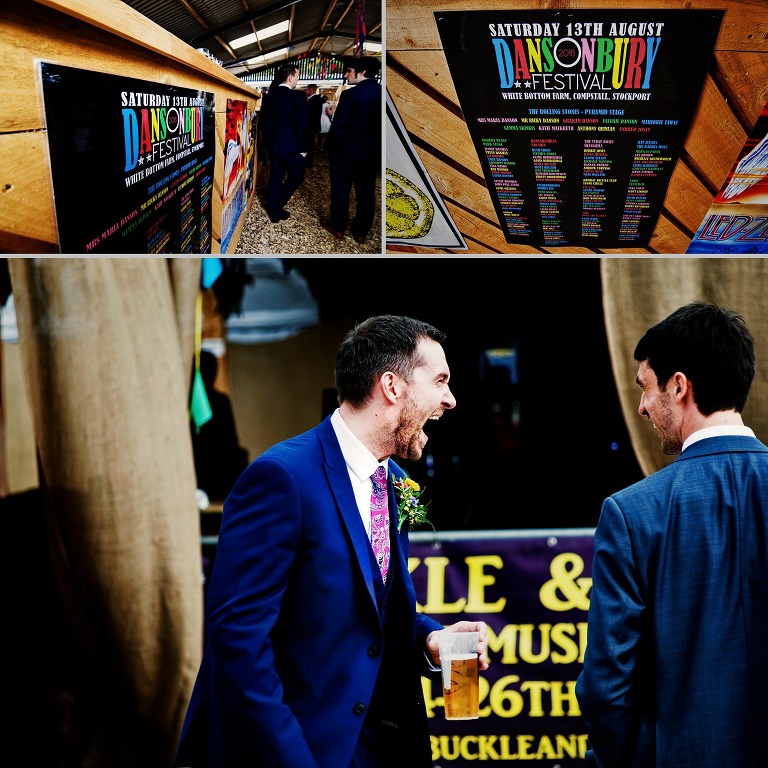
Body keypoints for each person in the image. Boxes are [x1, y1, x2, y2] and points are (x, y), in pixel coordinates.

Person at [174, 314, 490, 768]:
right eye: (440, 380)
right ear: (392, 386)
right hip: (302, 746)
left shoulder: (392, 480)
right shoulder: (282, 478)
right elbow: (239, 644)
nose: (450, 399)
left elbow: (369, 614)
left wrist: (428, 640)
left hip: (382, 745)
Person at [576, 301, 768, 768]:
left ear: (678, 386)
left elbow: (606, 685)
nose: (640, 406)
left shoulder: (631, 512)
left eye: (645, 387)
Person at [321, 56, 382, 245]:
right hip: (370, 154)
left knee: (341, 189)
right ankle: (361, 231)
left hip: (345, 153)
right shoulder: (383, 93)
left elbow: (339, 126)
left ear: (361, 71)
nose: (346, 75)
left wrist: (329, 148)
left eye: (349, 71)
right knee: (367, 193)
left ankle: (338, 226)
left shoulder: (351, 95)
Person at [260, 64, 308, 224]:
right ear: (290, 77)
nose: (297, 80)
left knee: (276, 177)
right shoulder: (297, 97)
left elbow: (264, 123)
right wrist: (303, 149)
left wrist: (267, 144)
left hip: (273, 146)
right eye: (297, 76)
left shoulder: (268, 97)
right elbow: (301, 124)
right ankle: (276, 205)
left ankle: (274, 208)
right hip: (291, 148)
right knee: (296, 177)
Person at [304, 83, 323, 167]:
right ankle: (308, 160)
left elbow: (310, 114)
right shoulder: (317, 99)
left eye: (307, 89)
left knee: (309, 144)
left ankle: (308, 161)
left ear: (311, 90)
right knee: (310, 144)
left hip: (310, 125)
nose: (306, 91)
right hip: (313, 125)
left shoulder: (314, 100)